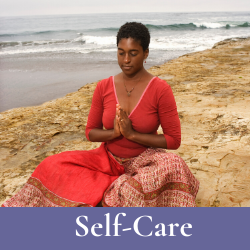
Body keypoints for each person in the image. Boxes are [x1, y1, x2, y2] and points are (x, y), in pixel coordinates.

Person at [2, 22, 199, 207]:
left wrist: (132, 135)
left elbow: (174, 140)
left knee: (170, 166)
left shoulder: (160, 89)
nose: (126, 60)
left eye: (133, 53)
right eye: (121, 53)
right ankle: (109, 191)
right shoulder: (104, 87)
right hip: (106, 160)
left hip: (144, 159)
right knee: (51, 165)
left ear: (146, 53)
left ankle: (113, 194)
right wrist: (114, 133)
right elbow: (91, 132)